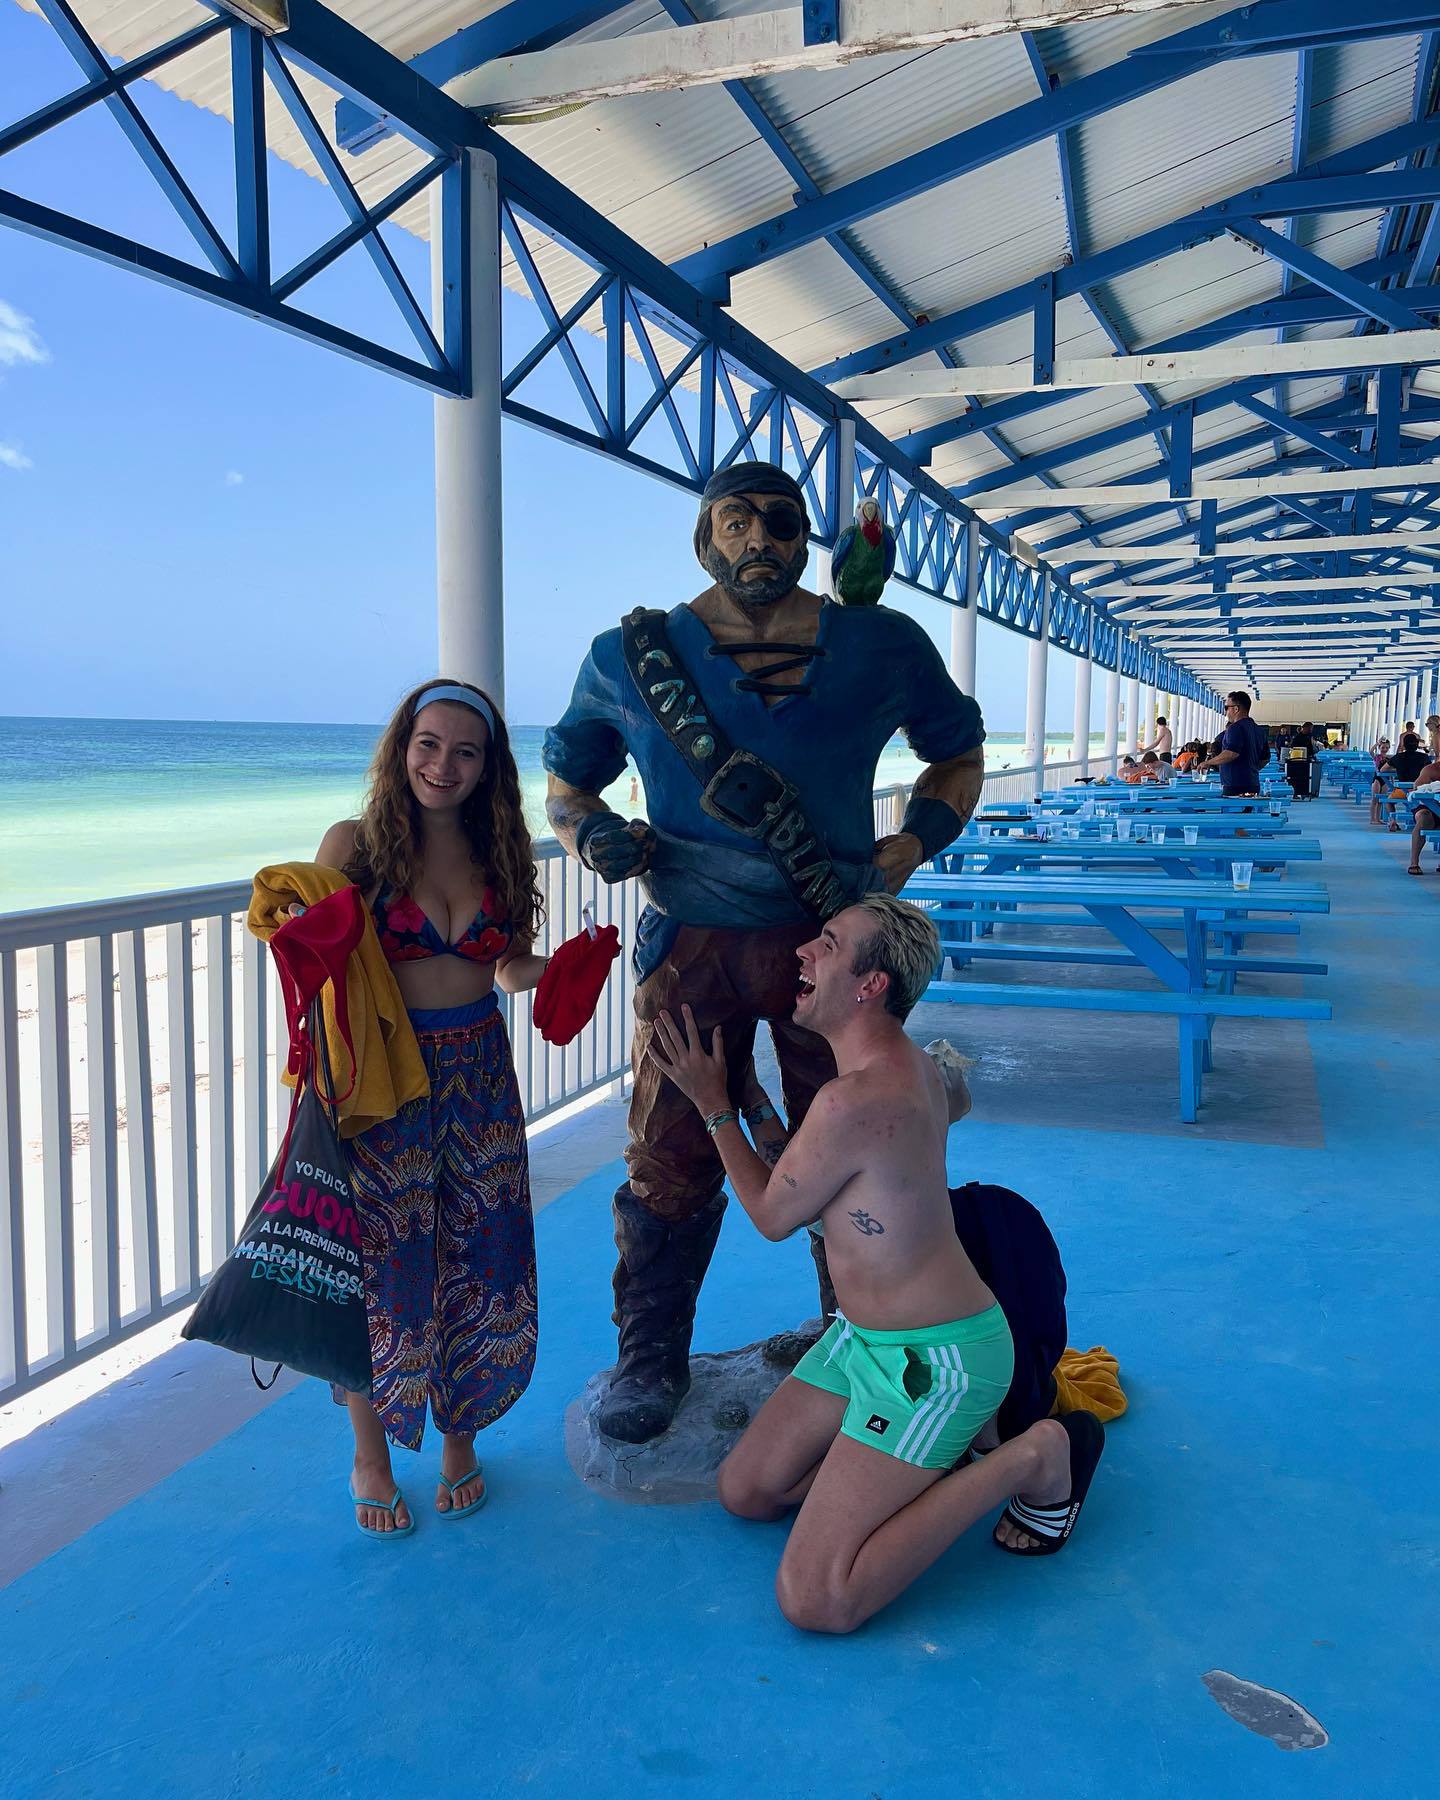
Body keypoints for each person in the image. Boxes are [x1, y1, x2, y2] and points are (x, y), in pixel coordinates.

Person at [543, 462, 986, 1444]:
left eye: (779, 522)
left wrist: (913, 843)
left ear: (805, 536)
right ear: (705, 536)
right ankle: (650, 1357)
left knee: (858, 1145)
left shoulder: (882, 645)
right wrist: (591, 835)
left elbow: (958, 750)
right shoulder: (628, 657)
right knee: (666, 1152)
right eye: (735, 521)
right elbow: (567, 788)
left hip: (831, 945)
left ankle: (857, 1334)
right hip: (688, 947)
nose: (758, 541)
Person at [647, 894, 1104, 1633]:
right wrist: (750, 1095)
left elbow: (770, 1215)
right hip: (863, 1342)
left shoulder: (853, 1099)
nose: (803, 952)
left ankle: (1034, 1456)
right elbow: (825, 1174)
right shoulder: (915, 1068)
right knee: (746, 1492)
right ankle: (925, 1458)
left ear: (870, 985)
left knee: (816, 1599)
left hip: (936, 1360)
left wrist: (712, 1104)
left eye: (827, 944)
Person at [311, 680, 547, 1536]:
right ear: (401, 749)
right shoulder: (354, 846)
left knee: (482, 1258)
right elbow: (309, 963)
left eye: (464, 751)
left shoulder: (501, 850)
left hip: (481, 1073)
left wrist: (557, 971)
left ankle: (460, 1438)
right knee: (383, 1270)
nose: (443, 765)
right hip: (385, 1082)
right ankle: (370, 1458)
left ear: (488, 767)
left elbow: (507, 966)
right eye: (428, 744)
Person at [1196, 691, 1267, 797]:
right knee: (1248, 808)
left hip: (1235, 786)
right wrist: (1250, 769)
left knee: (1233, 809)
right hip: (1253, 784)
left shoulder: (1235, 728)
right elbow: (1265, 759)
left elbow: (1231, 753)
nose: (1225, 712)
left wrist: (1208, 762)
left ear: (1236, 709)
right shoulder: (1259, 730)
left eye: (1226, 708)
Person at [1379, 731, 1433, 842]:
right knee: (1425, 803)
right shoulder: (1424, 757)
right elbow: (1430, 772)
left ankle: (1393, 820)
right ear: (1417, 744)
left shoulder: (1398, 757)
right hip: (1420, 791)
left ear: (1404, 744)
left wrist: (1397, 770)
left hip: (1402, 791)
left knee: (1389, 801)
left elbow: (1383, 769)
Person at [1401, 747, 1440, 874]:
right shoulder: (1431, 770)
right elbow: (1417, 788)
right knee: (1424, 818)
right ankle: (1414, 862)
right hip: (1428, 806)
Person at [1370, 736, 1393, 825]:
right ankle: (1372, 819)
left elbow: (1391, 770)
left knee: (1381, 800)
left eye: (1386, 747)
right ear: (1379, 748)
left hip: (1386, 780)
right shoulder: (1377, 757)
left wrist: (1392, 782)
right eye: (1383, 747)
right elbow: (1371, 751)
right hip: (1377, 779)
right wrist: (1377, 743)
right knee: (1374, 799)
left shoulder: (1390, 758)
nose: (1385, 749)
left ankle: (1378, 819)